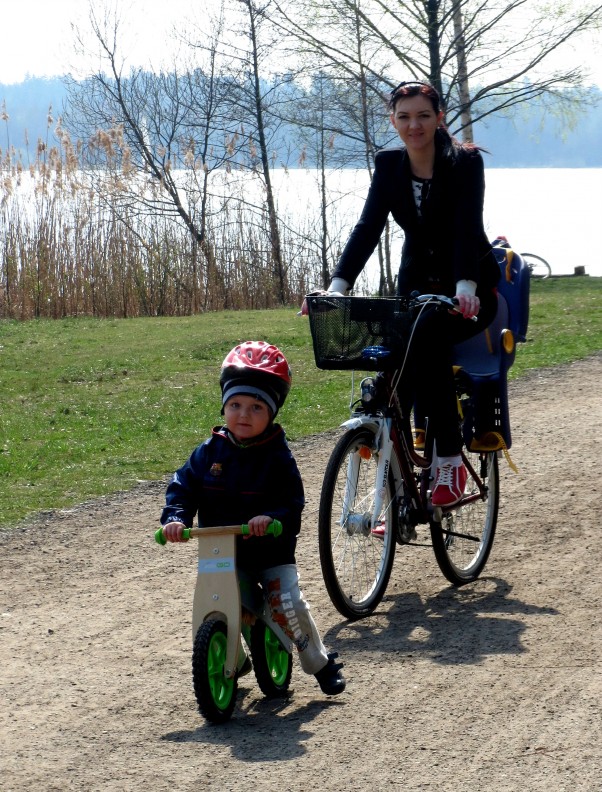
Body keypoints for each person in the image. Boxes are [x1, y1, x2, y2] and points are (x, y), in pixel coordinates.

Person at [306, 80, 500, 507]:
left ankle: (448, 457)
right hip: (414, 281)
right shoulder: (389, 164)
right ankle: (396, 487)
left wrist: (466, 286)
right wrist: (337, 287)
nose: (414, 125)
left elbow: (468, 226)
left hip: (469, 286)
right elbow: (368, 226)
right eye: (405, 117)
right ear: (392, 120)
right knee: (393, 354)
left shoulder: (464, 163)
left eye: (424, 116)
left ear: (439, 117)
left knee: (429, 331)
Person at [159, 340, 346, 696]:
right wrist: (176, 517)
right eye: (235, 405)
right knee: (216, 600)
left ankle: (319, 663)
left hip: (270, 553)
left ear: (272, 413)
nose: (243, 415)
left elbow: (292, 503)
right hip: (225, 553)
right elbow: (183, 486)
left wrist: (271, 517)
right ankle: (231, 655)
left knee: (286, 603)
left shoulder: (278, 458)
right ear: (224, 406)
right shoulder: (208, 453)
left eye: (256, 407)